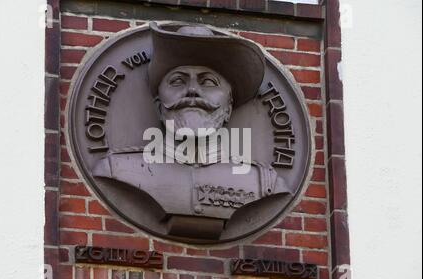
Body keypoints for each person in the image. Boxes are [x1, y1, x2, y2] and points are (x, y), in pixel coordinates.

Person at [93, 22, 290, 240]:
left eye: (208, 82)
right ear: (159, 106)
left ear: (228, 108)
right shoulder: (116, 170)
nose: (193, 91)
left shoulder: (265, 184)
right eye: (178, 81)